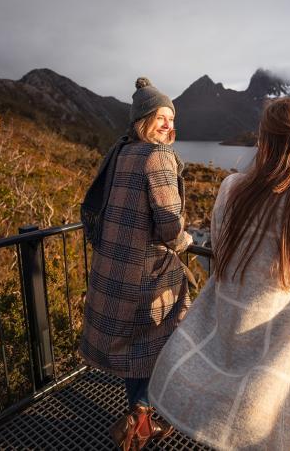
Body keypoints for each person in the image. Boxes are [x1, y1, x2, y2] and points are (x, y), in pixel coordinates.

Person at [148, 97, 290, 450]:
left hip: (225, 338)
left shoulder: (232, 189)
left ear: (264, 141)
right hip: (281, 364)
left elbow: (221, 247)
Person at [79, 77, 193, 450]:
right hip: (145, 275)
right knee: (161, 338)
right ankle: (137, 423)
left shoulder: (121, 152)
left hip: (114, 269)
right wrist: (186, 241)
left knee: (134, 348)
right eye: (160, 117)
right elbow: (169, 224)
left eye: (171, 118)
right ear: (142, 119)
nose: (167, 125)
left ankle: (140, 417)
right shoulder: (157, 156)